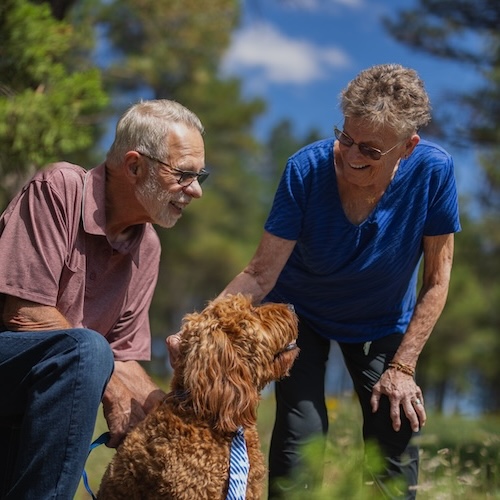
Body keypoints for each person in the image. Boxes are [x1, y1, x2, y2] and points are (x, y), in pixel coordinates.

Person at [214, 64, 460, 498]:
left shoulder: (433, 173)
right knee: (301, 430)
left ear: (407, 147)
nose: (351, 155)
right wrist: (205, 326)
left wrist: (402, 367)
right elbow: (260, 272)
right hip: (300, 313)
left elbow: (437, 281)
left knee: (393, 424)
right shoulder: (305, 171)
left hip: (381, 319)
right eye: (345, 137)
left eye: (370, 149)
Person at [0, 99, 208, 499]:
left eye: (201, 176)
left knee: (92, 354)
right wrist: (105, 373)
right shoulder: (58, 189)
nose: (195, 191)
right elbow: (23, 314)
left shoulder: (148, 247)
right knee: (88, 350)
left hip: (46, 389)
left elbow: (123, 356)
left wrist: (173, 415)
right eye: (183, 175)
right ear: (134, 166)